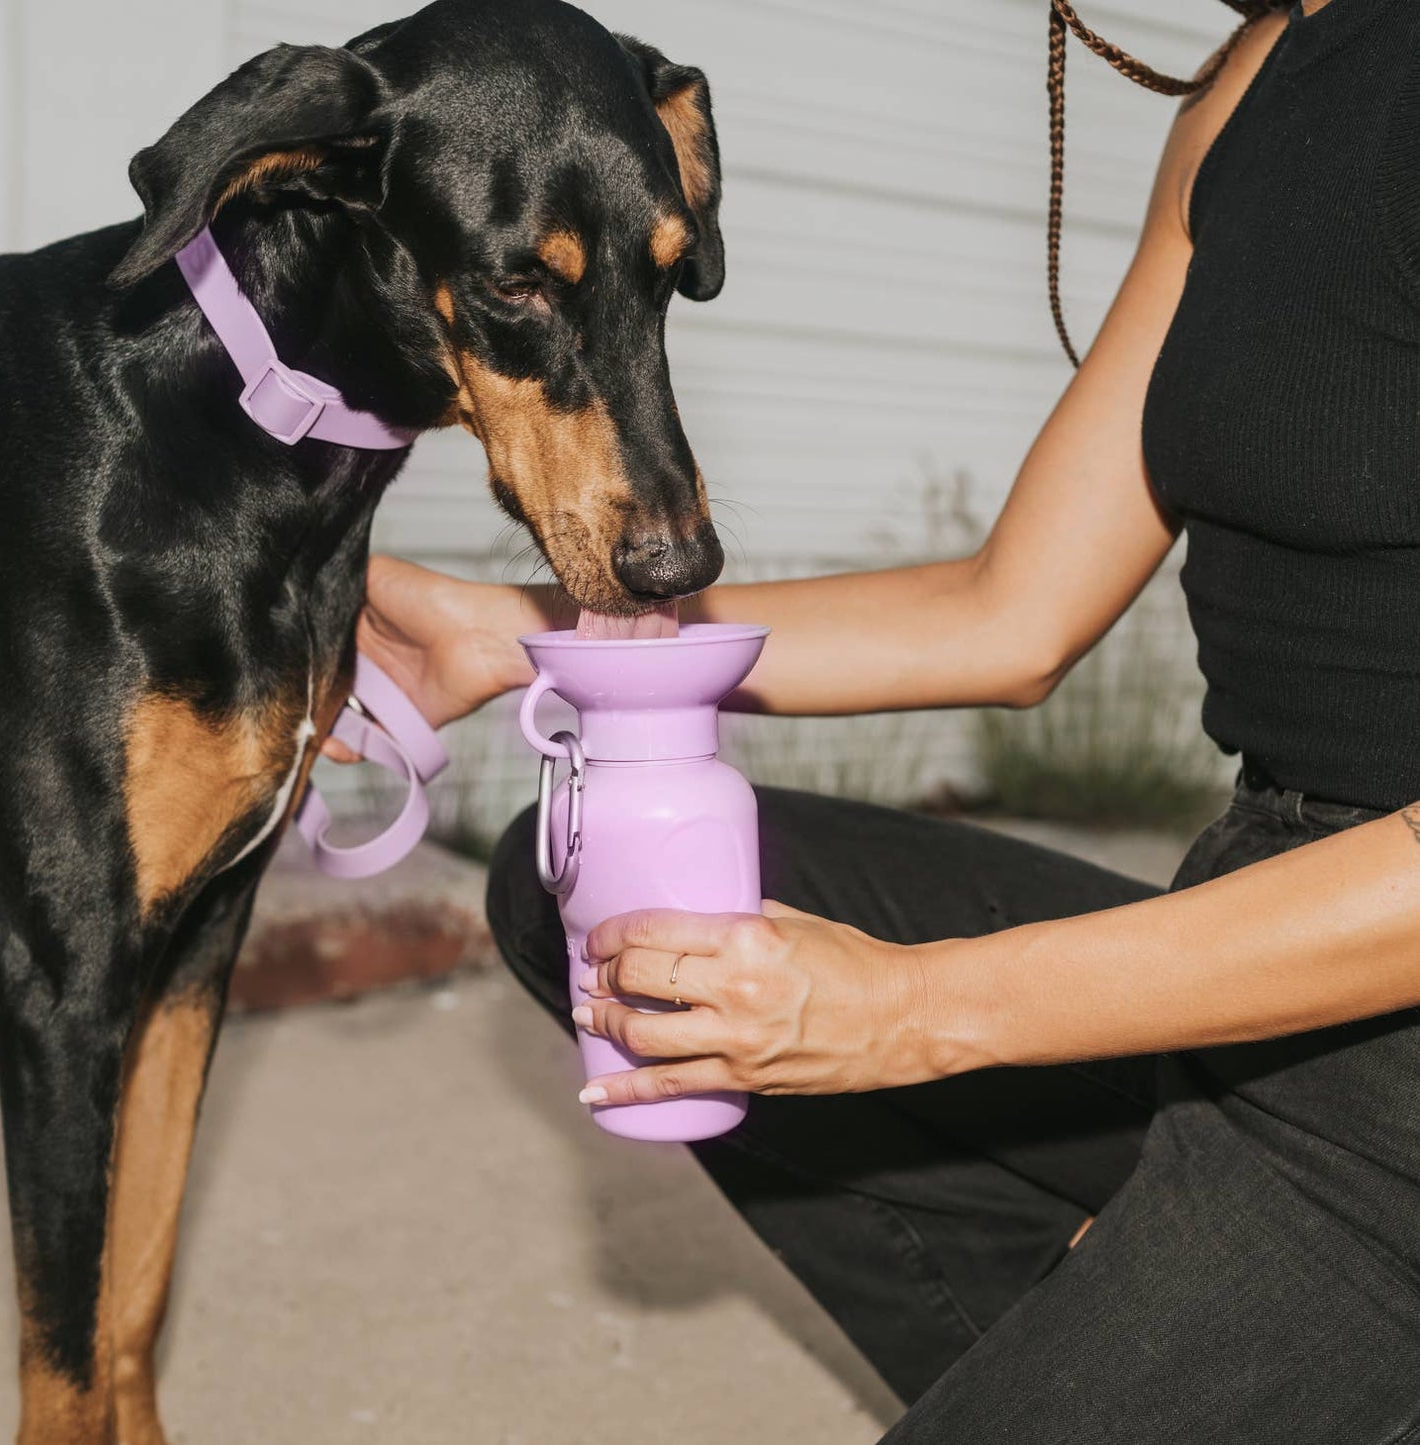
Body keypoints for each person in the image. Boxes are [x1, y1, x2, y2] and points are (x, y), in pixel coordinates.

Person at [337, 1, 1420, 1437]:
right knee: (607, 909)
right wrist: (518, 636)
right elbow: (1007, 610)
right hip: (1254, 925)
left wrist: (910, 1013)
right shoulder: (1248, 90)